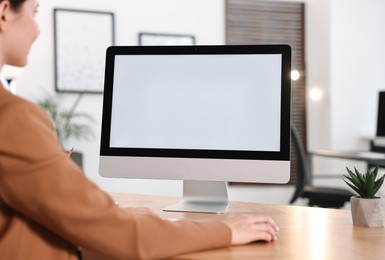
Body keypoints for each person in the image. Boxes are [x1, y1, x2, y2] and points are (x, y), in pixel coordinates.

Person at [0, 0, 279, 259]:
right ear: (4, 13)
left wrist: (103, 214)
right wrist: (229, 231)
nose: (37, 28)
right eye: (34, 12)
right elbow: (125, 239)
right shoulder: (12, 116)